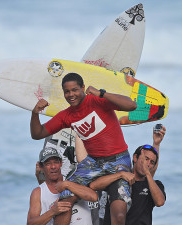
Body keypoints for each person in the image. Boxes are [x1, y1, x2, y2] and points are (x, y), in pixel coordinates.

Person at [30, 72, 137, 225]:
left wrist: (101, 93)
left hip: (118, 159)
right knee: (64, 200)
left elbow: (132, 105)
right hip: (92, 163)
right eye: (67, 91)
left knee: (119, 214)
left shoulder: (99, 101)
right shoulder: (66, 116)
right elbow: (37, 133)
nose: (71, 94)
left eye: (75, 90)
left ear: (83, 88)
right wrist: (35, 113)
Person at [89, 125, 167, 225]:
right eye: (145, 159)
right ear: (135, 158)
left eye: (151, 162)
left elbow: (160, 202)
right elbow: (93, 185)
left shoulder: (154, 185)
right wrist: (120, 175)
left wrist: (156, 145)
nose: (147, 164)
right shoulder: (119, 179)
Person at [27, 146, 98, 225]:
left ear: (61, 163)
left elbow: (93, 197)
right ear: (41, 167)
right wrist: (52, 211)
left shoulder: (73, 179)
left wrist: (67, 184)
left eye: (56, 162)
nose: (53, 167)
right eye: (48, 164)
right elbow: (30, 223)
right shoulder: (38, 192)